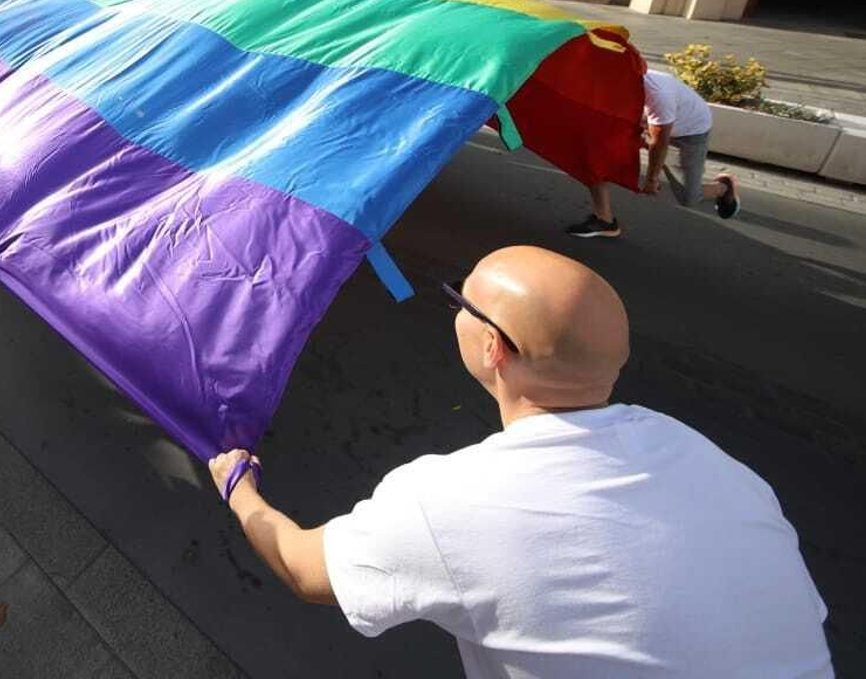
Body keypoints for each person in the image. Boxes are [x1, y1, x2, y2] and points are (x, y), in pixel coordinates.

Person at [208, 246, 832, 678]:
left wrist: (240, 487)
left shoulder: (449, 502)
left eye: (461, 299)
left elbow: (303, 569)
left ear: (493, 346)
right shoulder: (707, 457)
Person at [568, 69, 741, 238]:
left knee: (689, 197)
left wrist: (652, 179)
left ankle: (724, 187)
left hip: (688, 134)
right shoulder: (615, 81)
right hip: (648, 124)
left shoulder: (659, 95)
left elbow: (659, 144)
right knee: (596, 157)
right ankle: (604, 220)